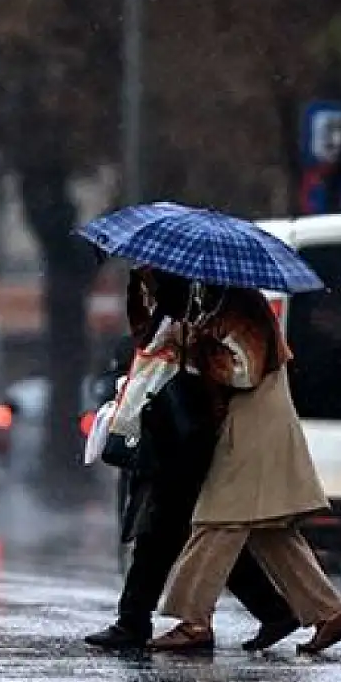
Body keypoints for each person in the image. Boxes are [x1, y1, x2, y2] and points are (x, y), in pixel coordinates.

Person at [85, 268, 300, 652]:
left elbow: (242, 370)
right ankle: (270, 610)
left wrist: (197, 347)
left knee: (165, 530)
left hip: (187, 434)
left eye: (155, 276)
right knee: (182, 532)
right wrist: (141, 291)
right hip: (161, 429)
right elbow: (144, 342)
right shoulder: (179, 308)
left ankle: (137, 620)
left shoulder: (226, 307)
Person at [150, 282, 341, 654]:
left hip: (254, 428)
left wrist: (193, 346)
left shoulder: (243, 309)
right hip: (253, 424)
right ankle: (331, 613)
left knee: (217, 520)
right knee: (270, 529)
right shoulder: (225, 307)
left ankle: (193, 621)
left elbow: (244, 374)